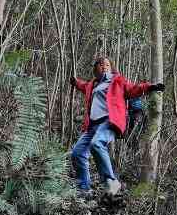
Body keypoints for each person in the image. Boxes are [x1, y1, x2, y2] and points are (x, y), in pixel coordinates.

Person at [70, 57, 164, 198]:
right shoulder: (92, 85)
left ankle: (111, 181)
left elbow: (133, 89)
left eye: (107, 64)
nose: (105, 66)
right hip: (91, 126)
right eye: (101, 64)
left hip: (109, 122)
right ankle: (84, 189)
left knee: (97, 143)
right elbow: (82, 85)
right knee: (77, 153)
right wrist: (75, 82)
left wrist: (151, 86)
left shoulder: (117, 81)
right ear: (95, 68)